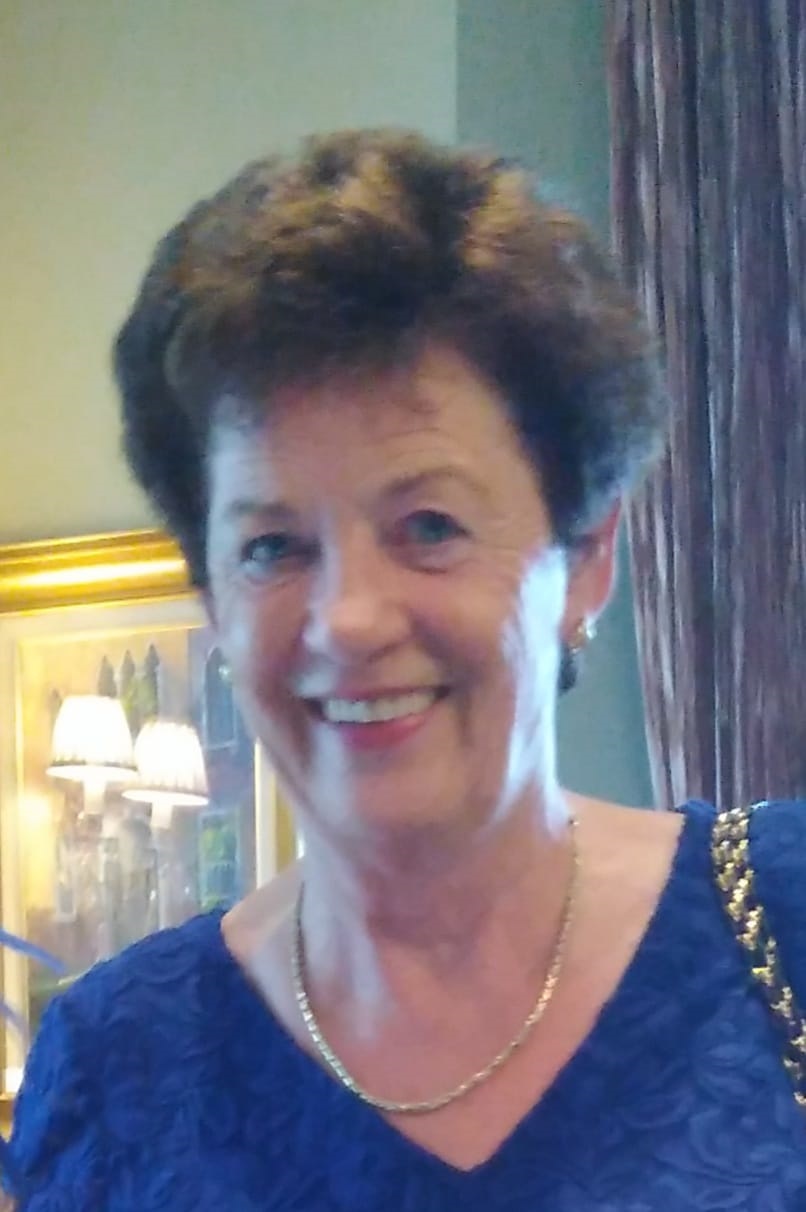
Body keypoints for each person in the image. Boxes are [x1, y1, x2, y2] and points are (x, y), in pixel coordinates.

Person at [4, 129, 806, 1210]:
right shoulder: (116, 1070)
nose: (347, 620)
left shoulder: (782, 920)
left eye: (428, 525)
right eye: (273, 547)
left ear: (584, 557)